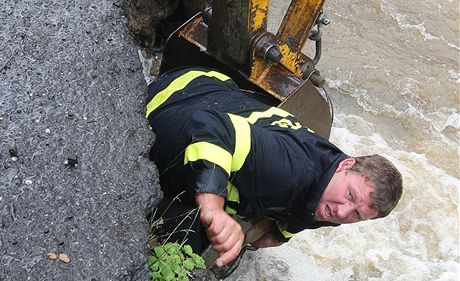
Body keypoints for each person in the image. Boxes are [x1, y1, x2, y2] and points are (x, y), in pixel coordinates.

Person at [146, 67, 403, 268]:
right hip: (171, 102)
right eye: (350, 195)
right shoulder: (288, 170)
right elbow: (212, 128)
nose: (342, 212)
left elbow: (307, 211)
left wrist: (279, 235)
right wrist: (214, 210)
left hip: (218, 94)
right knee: (189, 249)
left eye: (356, 216)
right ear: (347, 164)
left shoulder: (333, 199)